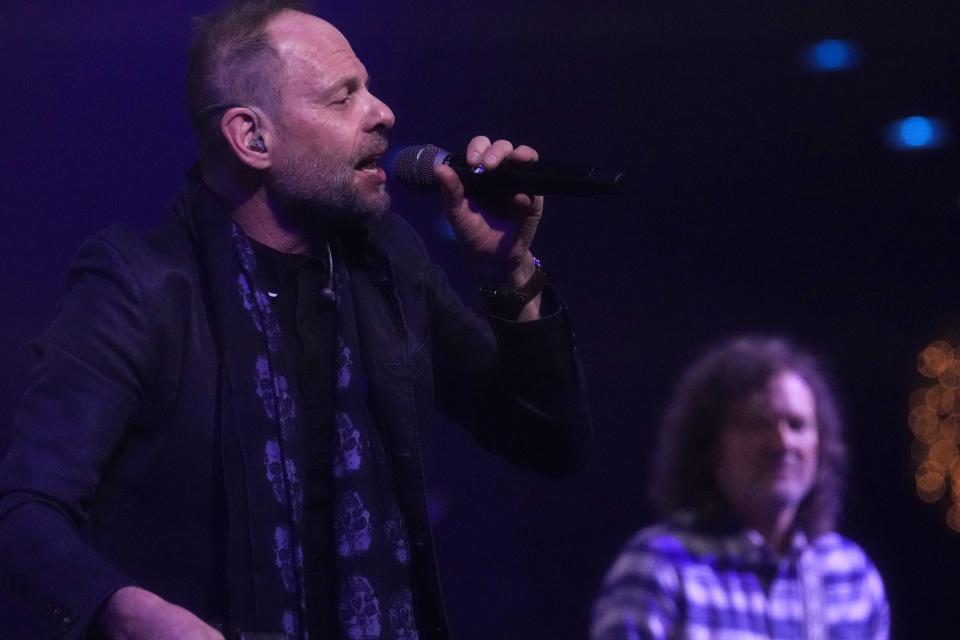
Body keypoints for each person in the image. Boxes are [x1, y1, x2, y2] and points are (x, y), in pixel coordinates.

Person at [0, 2, 591, 639]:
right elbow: (25, 511)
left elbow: (550, 442)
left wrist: (510, 272)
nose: (383, 112)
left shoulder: (389, 261)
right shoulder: (141, 285)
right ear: (252, 137)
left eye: (368, 87)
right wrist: (121, 608)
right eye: (344, 98)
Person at [590, 336, 889, 640]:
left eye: (797, 425)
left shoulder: (850, 577)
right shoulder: (659, 565)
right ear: (710, 448)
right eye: (758, 424)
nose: (783, 443)